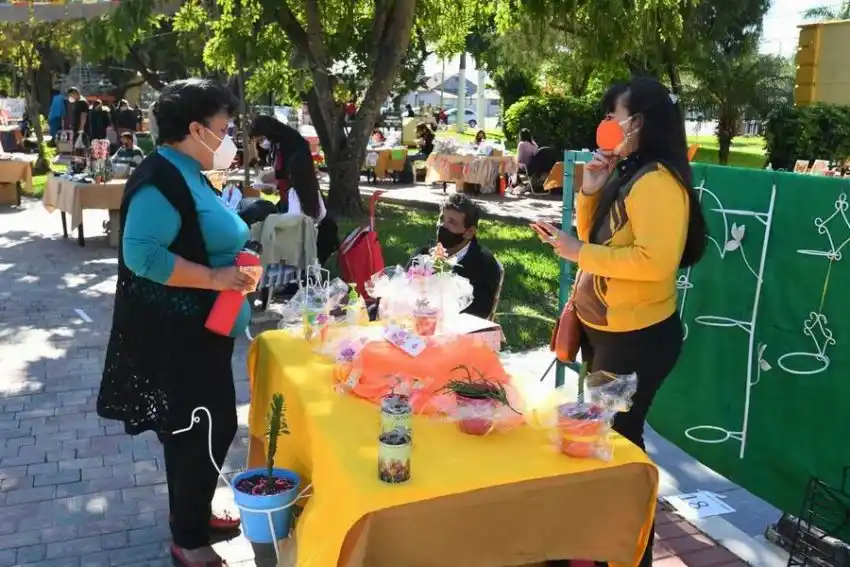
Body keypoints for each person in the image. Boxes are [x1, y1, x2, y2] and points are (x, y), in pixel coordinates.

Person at [530, 77, 708, 567]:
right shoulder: (630, 171)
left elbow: (654, 261)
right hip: (607, 330)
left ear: (641, 122)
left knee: (621, 448)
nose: (607, 124)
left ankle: (629, 552)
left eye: (616, 115)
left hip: (637, 338)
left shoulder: (657, 182)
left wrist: (577, 250)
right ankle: (611, 547)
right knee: (607, 442)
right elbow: (599, 239)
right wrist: (590, 189)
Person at [98, 78, 260, 567]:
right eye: (224, 127)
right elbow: (142, 255)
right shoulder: (159, 178)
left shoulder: (186, 168)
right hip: (180, 336)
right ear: (196, 128)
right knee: (199, 431)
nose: (230, 136)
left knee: (206, 427)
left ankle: (192, 516)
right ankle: (187, 542)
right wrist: (216, 277)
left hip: (206, 330)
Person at [247, 115, 339, 264]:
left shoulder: (291, 148)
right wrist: (275, 186)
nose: (261, 144)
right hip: (293, 201)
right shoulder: (283, 146)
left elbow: (286, 175)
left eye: (261, 139)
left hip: (298, 206)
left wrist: (270, 182)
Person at [414, 193, 501, 319]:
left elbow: (479, 312)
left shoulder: (483, 265)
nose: (442, 225)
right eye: (442, 219)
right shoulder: (422, 255)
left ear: (469, 232)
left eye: (452, 222)